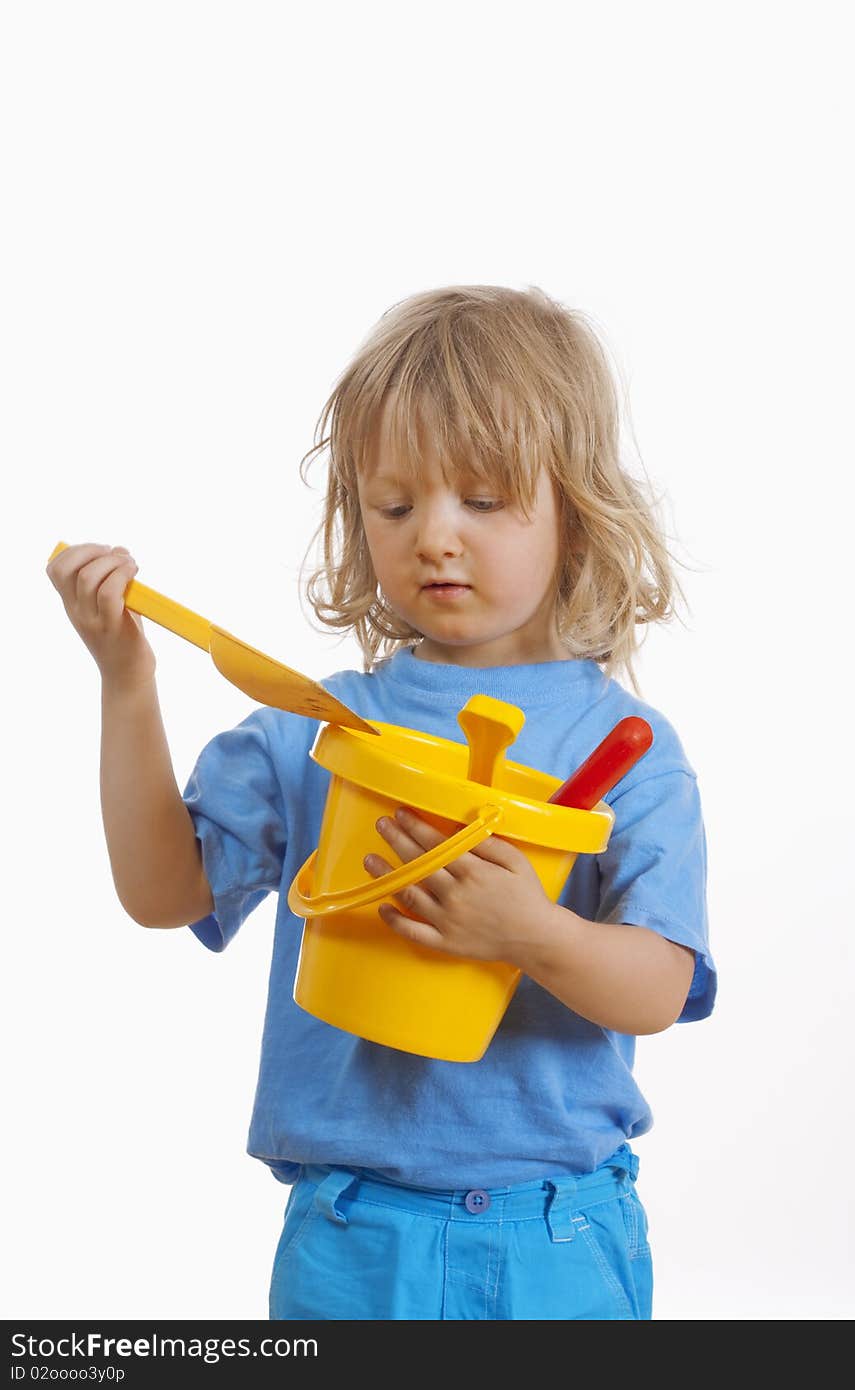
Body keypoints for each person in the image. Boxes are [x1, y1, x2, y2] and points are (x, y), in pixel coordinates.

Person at [46, 284, 715, 1321]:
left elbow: (657, 987)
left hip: (556, 1236)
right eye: (394, 504)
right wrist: (125, 681)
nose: (434, 537)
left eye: (483, 501)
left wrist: (528, 931)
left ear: (575, 509)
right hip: (352, 1236)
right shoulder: (314, 727)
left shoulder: (626, 751)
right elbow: (161, 890)